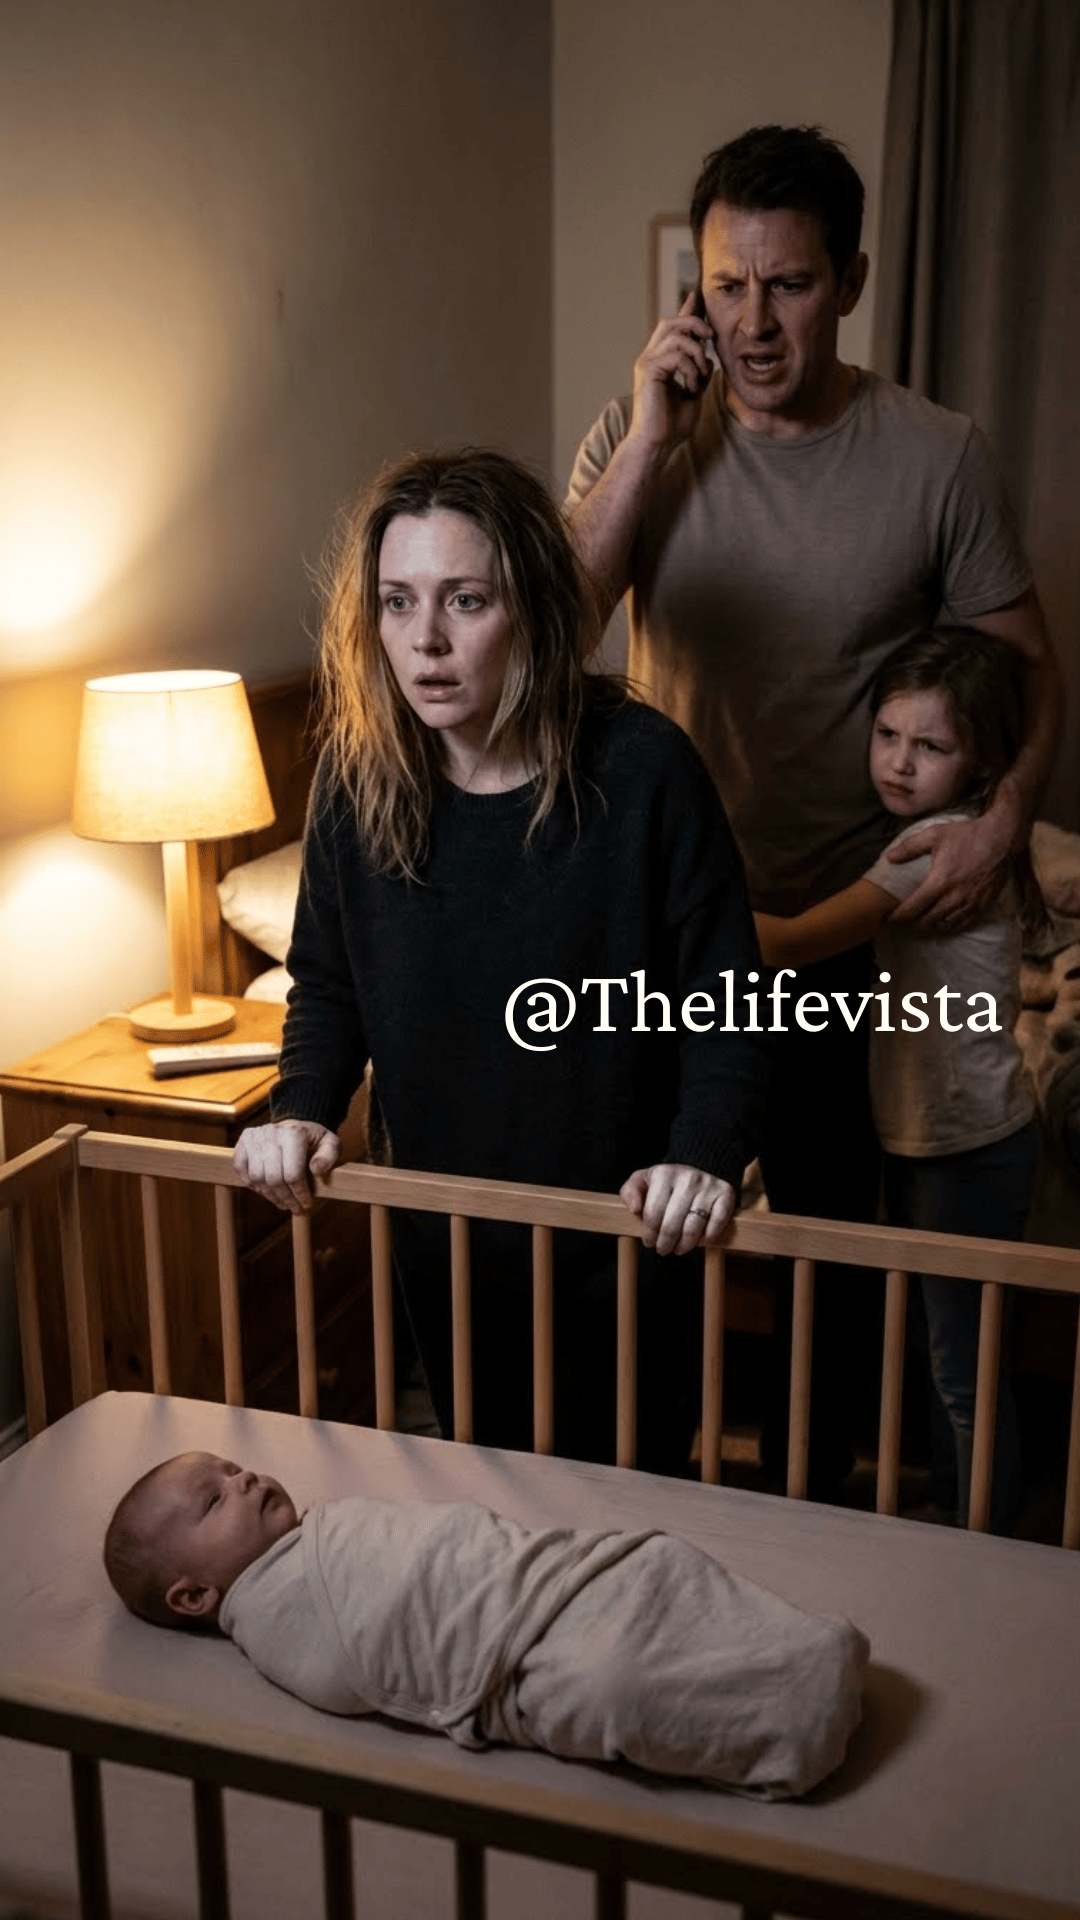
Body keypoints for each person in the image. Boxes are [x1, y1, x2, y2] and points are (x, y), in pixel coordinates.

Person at [565, 122, 1060, 1496]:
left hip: (842, 928)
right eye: (727, 285)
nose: (754, 322)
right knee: (651, 1239)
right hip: (671, 924)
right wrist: (652, 439)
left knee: (832, 1261)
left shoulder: (938, 454)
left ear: (850, 280)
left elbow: (1029, 671)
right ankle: (641, 1509)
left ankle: (821, 1512)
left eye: (787, 285)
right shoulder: (642, 430)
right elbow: (555, 630)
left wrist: (1002, 821)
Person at [233, 447, 768, 1469]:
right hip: (447, 1232)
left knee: (632, 1500)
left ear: (531, 606)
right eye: (397, 602)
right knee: (486, 1483)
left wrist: (706, 1152)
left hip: (630, 1229)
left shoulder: (644, 766)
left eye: (465, 600)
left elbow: (729, 996)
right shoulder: (356, 775)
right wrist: (300, 1107)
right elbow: (330, 984)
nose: (425, 640)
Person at [103, 1451, 869, 1800]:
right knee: (610, 1683)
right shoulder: (274, 1617)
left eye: (232, 1467)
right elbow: (349, 1664)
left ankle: (801, 1651)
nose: (243, 1478)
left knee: (655, 1569)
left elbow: (450, 1545)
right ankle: (790, 1718)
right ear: (194, 1597)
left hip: (543, 1578)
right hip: (506, 1660)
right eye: (215, 1500)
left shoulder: (333, 1528)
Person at [755, 628, 1042, 1529]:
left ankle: (984, 1535)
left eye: (931, 746)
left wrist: (682, 899)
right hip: (941, 1133)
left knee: (962, 1365)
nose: (900, 763)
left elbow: (796, 942)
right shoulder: (946, 833)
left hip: (968, 1142)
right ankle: (960, 1506)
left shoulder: (929, 845)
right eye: (887, 735)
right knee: (945, 1347)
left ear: (983, 761)